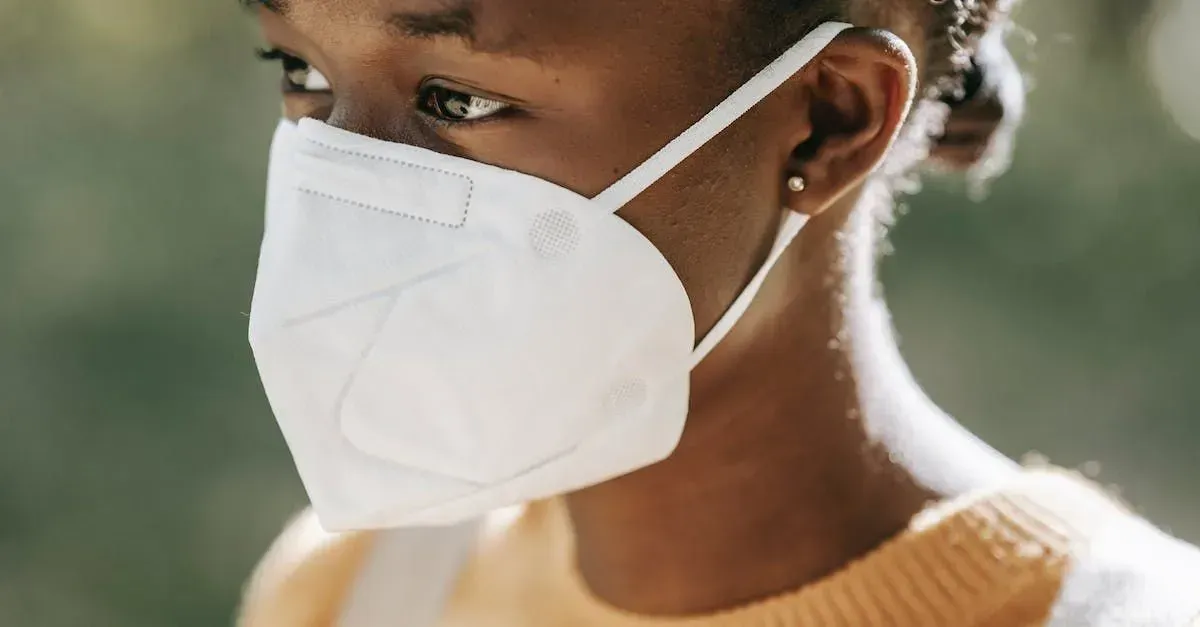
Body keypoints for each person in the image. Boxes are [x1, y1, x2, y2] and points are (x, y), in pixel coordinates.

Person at [234, 0, 1200, 625]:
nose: (342, 171)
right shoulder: (352, 595)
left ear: (830, 120)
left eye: (453, 97)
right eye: (303, 72)